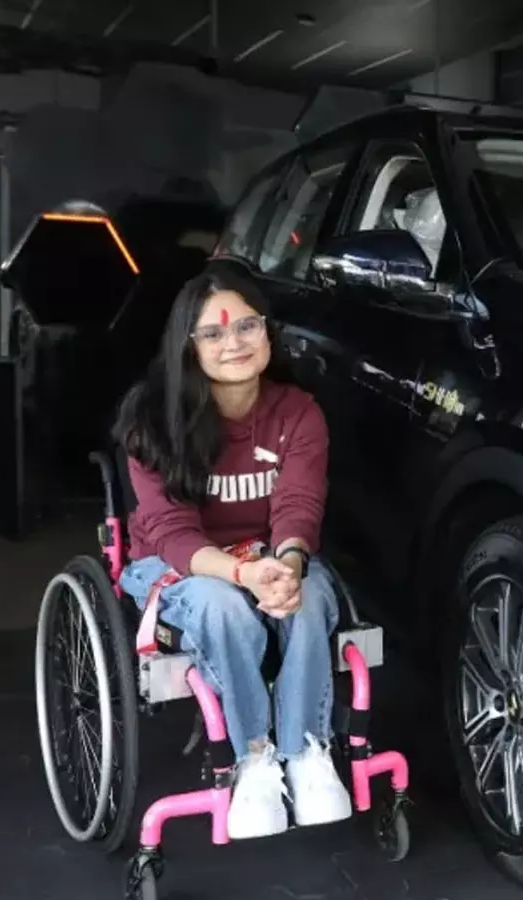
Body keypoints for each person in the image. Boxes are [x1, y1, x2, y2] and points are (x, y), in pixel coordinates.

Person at [112, 258, 351, 840]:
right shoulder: (152, 421)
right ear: (189, 345)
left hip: (268, 552)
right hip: (174, 566)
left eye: (247, 326)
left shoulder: (298, 413)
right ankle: (253, 759)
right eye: (214, 333)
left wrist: (287, 565)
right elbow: (173, 533)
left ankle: (306, 752)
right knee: (221, 606)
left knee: (310, 593)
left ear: (267, 331)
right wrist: (243, 576)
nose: (234, 343)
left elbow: (299, 505)